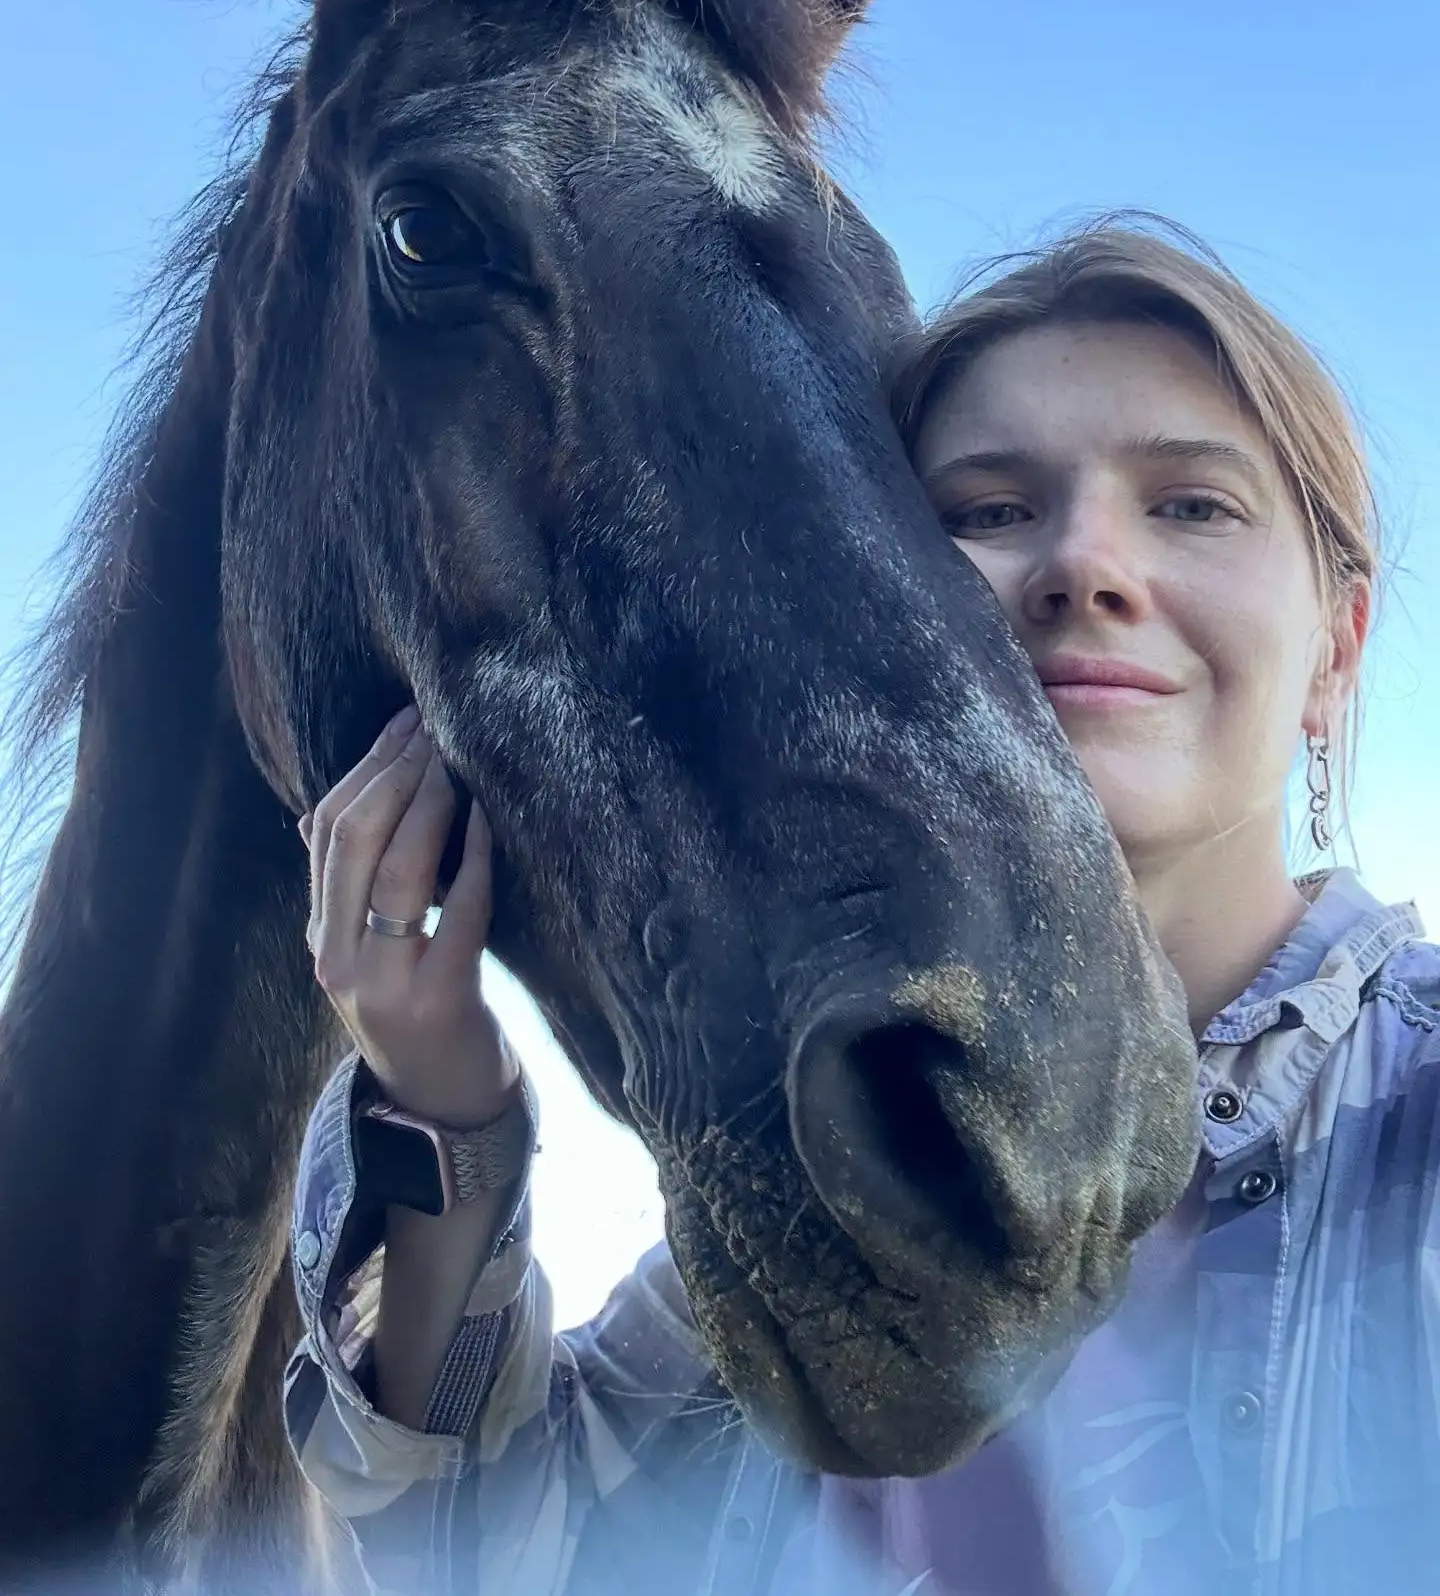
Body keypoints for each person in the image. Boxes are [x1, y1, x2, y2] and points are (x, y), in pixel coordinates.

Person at [283, 218, 1440, 1596]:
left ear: (1337, 650)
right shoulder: (842, 1126)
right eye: (988, 512)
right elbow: (485, 1551)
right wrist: (445, 1114)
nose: (1084, 564)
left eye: (1193, 505)